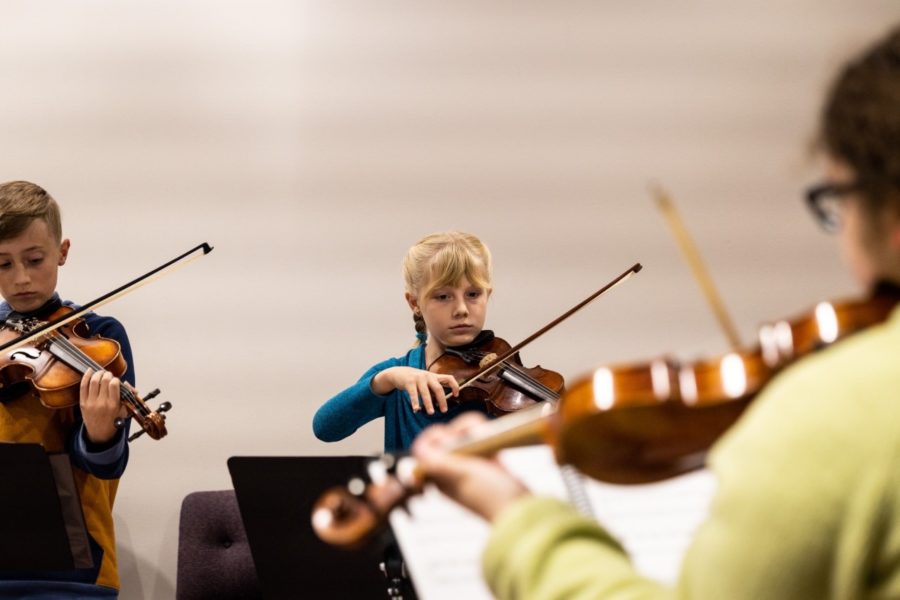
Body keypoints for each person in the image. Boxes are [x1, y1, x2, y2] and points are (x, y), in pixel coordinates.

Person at [411, 25, 900, 599]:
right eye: (443, 297)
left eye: (837, 202)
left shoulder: (838, 411)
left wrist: (516, 517)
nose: (462, 310)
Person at [0, 181, 136, 598]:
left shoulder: (98, 336)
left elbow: (104, 465)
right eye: (3, 264)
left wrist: (100, 432)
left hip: (71, 573)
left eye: (35, 259)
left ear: (62, 251)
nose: (21, 278)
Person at [313, 231, 495, 451]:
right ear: (414, 303)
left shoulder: (497, 378)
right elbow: (325, 428)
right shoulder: (397, 374)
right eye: (443, 296)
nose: (461, 310)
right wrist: (386, 380)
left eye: (473, 294)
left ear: (488, 295)